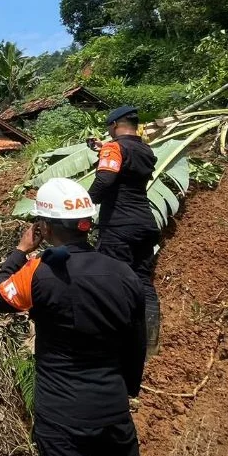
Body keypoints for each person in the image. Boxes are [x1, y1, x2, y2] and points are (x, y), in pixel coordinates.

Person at [0, 178, 146, 456]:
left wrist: (20, 252)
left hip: (62, 416)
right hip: (112, 410)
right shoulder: (124, 274)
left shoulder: (39, 272)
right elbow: (136, 344)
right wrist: (126, 390)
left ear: (44, 228)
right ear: (86, 224)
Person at [87, 105, 161, 355]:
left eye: (109, 128)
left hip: (119, 226)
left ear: (115, 125)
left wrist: (85, 203)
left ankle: (111, 343)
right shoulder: (146, 149)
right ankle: (149, 345)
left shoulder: (114, 148)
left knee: (110, 282)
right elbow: (127, 166)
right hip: (145, 224)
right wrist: (103, 148)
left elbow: (105, 180)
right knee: (143, 282)